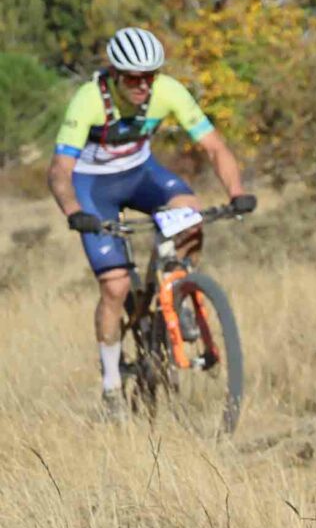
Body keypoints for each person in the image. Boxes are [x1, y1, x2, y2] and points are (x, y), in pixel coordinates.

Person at [48, 27, 253, 416]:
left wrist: (237, 192)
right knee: (115, 287)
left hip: (141, 175)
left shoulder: (168, 91)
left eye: (150, 76)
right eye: (133, 78)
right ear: (114, 74)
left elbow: (214, 146)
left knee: (190, 212)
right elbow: (60, 170)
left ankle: (179, 287)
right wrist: (74, 212)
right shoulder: (88, 99)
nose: (143, 85)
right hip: (93, 186)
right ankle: (111, 383)